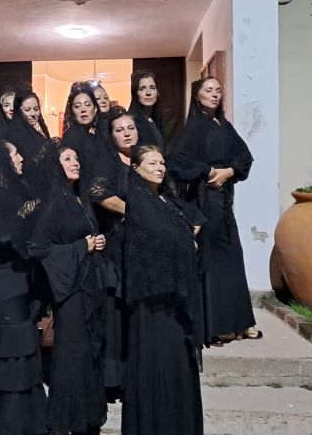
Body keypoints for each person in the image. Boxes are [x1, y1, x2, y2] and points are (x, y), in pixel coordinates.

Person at [169, 76, 260, 345]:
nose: (215, 94)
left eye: (218, 90)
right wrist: (209, 171)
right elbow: (177, 161)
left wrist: (228, 171)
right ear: (197, 96)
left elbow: (245, 158)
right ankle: (215, 327)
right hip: (204, 199)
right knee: (212, 260)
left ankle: (240, 323)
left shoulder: (224, 125)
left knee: (232, 256)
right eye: (208, 90)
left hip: (223, 201)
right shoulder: (195, 127)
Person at [121, 144, 205, 435]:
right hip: (153, 300)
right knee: (160, 366)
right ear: (136, 168)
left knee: (179, 366)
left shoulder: (167, 200)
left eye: (161, 163)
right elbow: (159, 241)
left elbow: (189, 226)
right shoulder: (139, 201)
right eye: (152, 163)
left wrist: (186, 240)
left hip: (174, 298)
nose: (159, 168)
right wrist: (186, 243)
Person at [0, 139, 48, 434]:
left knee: (19, 356)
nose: (21, 158)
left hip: (14, 284)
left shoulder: (7, 191)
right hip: (2, 288)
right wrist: (31, 210)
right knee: (9, 356)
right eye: (15, 153)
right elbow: (5, 234)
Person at [28, 144, 108, 435]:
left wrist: (97, 242)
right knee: (71, 355)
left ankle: (85, 417)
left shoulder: (78, 198)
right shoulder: (52, 201)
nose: (75, 162)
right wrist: (80, 247)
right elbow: (37, 247)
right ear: (54, 165)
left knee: (88, 353)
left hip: (89, 286)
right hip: (71, 292)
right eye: (67, 158)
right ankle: (65, 421)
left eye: (76, 157)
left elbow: (85, 235)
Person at [87, 109, 138, 400]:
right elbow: (99, 193)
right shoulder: (106, 161)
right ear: (111, 135)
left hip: (142, 247)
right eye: (120, 129)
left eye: (131, 127)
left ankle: (134, 377)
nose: (127, 133)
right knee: (114, 315)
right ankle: (112, 381)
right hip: (115, 244)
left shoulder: (144, 161)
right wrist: (138, 212)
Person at [3, 87, 52, 189]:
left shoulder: (37, 134)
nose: (33, 114)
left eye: (36, 109)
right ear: (18, 111)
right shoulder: (13, 136)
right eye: (27, 110)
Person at [61, 82, 104, 168]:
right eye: (77, 106)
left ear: (95, 109)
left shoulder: (101, 134)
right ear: (72, 112)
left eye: (87, 105)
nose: (83, 109)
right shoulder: (71, 138)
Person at [127, 70, 165, 149]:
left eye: (152, 88)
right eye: (142, 89)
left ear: (158, 92)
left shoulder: (156, 119)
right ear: (135, 94)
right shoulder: (131, 122)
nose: (148, 93)